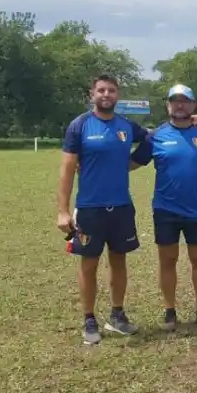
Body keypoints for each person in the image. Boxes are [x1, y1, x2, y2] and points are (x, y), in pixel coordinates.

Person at [56, 73, 148, 345]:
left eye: (111, 90)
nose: (106, 95)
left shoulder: (127, 126)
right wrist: (62, 211)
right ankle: (89, 319)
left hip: (121, 207)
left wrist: (131, 164)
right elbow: (67, 169)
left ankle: (117, 315)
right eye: (101, 90)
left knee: (119, 260)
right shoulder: (80, 125)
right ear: (92, 94)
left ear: (117, 95)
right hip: (89, 210)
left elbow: (153, 140)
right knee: (89, 263)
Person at [130, 84, 197, 331]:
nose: (180, 105)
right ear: (168, 105)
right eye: (175, 101)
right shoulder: (155, 136)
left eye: (185, 101)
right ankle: (170, 311)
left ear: (193, 105)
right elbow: (134, 163)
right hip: (166, 210)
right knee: (168, 260)